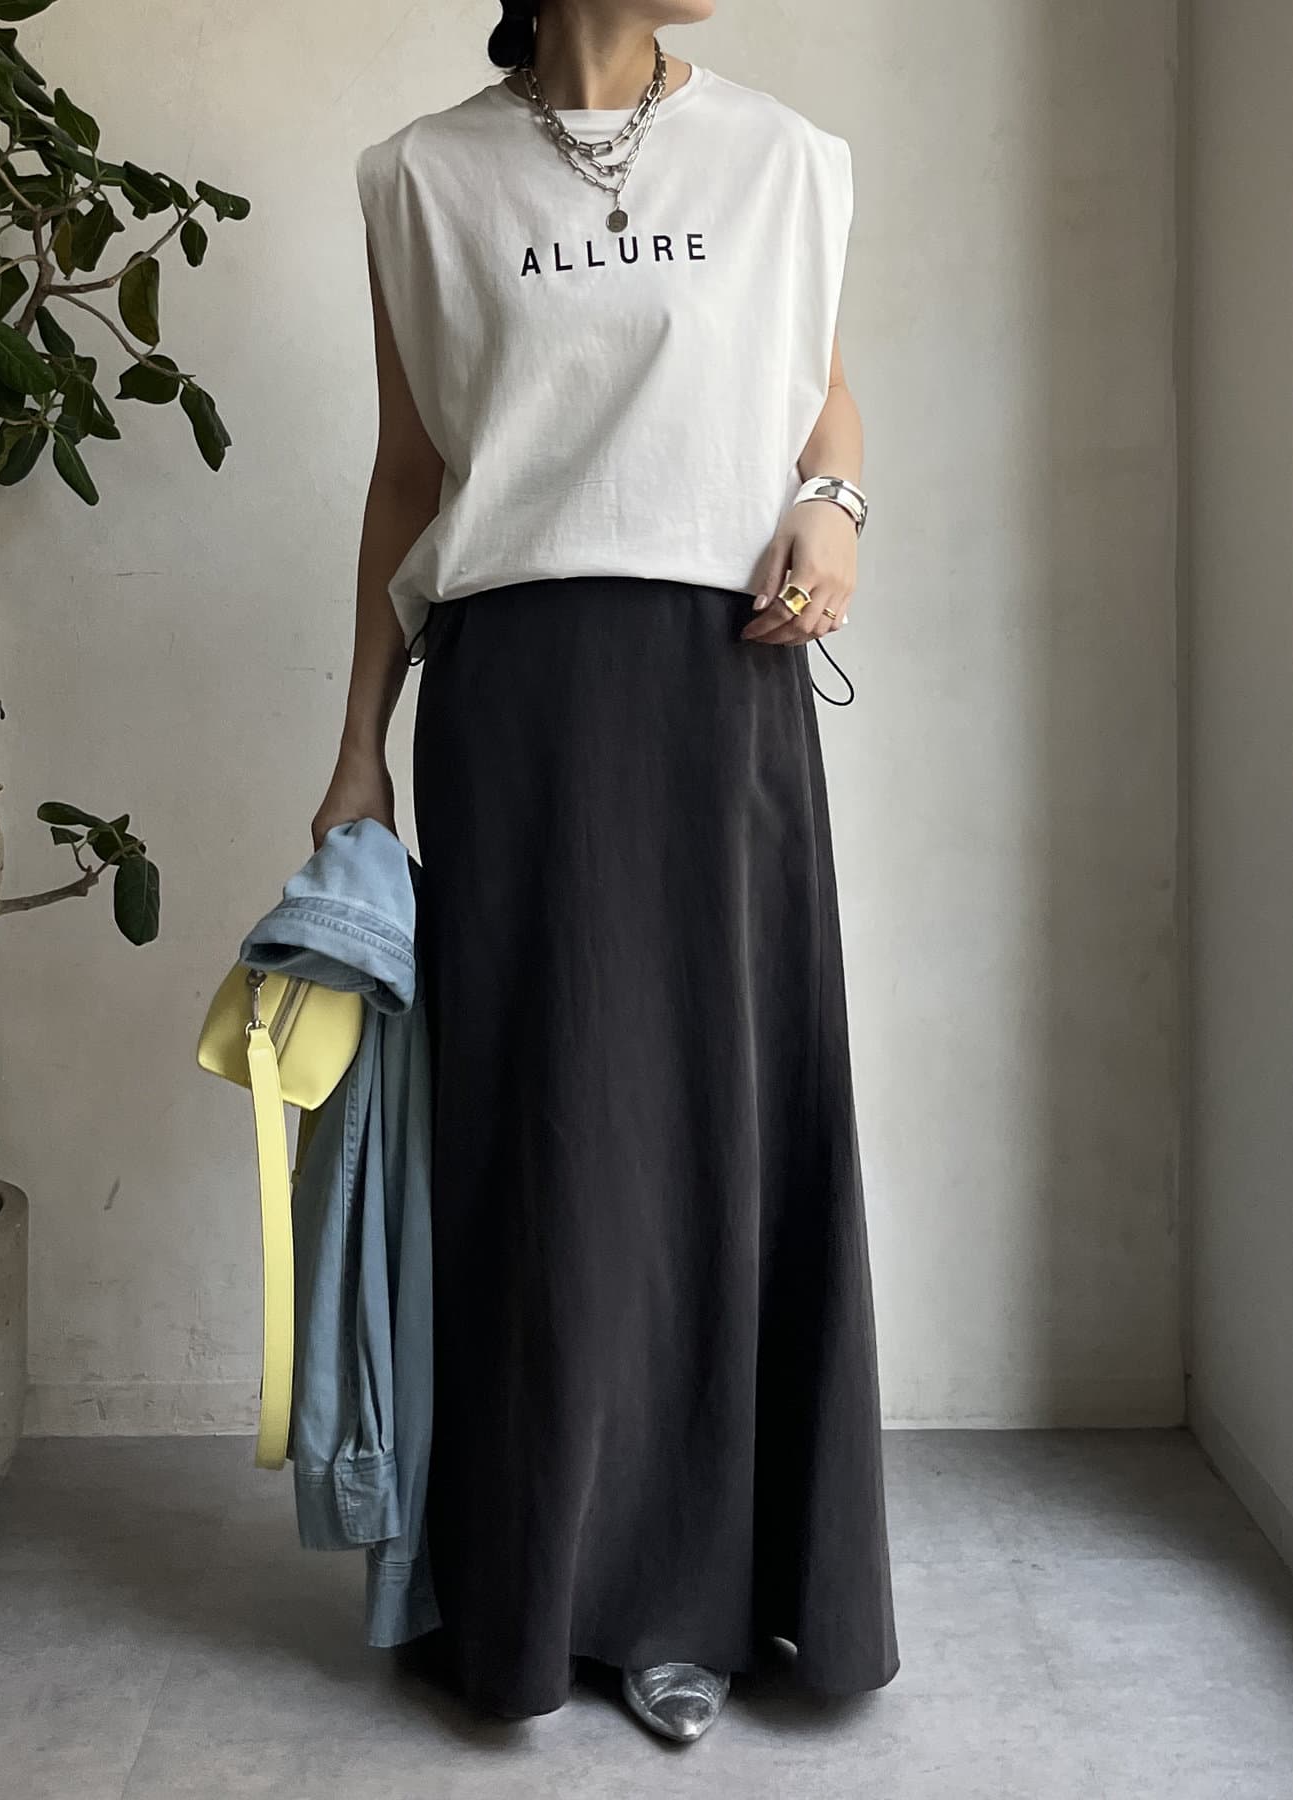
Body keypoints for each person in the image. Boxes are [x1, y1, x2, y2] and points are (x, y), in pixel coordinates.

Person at [311, 0, 899, 1744]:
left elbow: (826, 399)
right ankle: (533, 1584)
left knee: (722, 1129)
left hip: (719, 690)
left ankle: (696, 1595)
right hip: (515, 698)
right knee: (543, 1141)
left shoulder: (785, 160)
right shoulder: (420, 179)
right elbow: (409, 475)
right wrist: (358, 747)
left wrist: (836, 509)